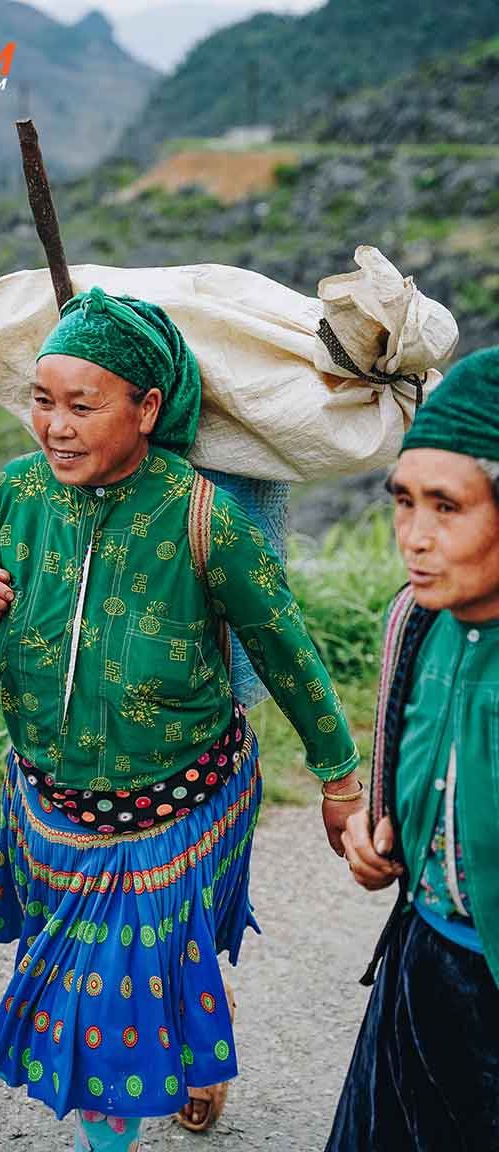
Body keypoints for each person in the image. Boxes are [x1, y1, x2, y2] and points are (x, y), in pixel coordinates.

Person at [0, 287, 362, 1149]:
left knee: (109, 1017)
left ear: (146, 409)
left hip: (175, 808)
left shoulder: (203, 517)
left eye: (81, 405)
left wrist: (340, 777)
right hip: (51, 807)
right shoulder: (17, 494)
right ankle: (198, 1054)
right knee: (139, 981)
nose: (56, 427)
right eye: (42, 400)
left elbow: (286, 651)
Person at [327, 347, 499, 1152]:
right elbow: (403, 799)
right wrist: (376, 841)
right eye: (403, 502)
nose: (415, 538)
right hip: (418, 972)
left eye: (448, 507)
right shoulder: (416, 622)